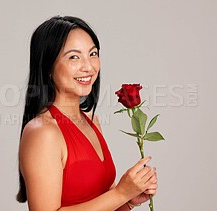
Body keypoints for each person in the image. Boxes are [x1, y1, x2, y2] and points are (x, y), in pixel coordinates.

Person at [17, 16, 158, 210]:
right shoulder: (43, 132)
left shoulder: (92, 121)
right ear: (48, 67)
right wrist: (121, 193)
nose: (89, 67)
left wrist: (128, 201)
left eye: (93, 54)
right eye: (74, 57)